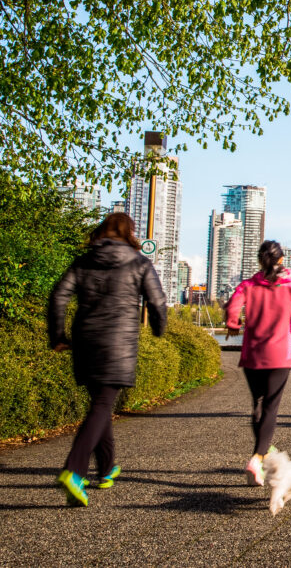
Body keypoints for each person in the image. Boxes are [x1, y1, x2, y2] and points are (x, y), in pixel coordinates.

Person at [48, 213, 167, 507]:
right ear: (129, 232)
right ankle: (74, 471)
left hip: (86, 342)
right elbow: (157, 301)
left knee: (100, 405)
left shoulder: (84, 261)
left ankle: (105, 468)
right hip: (118, 344)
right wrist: (158, 327)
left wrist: (58, 336)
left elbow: (58, 297)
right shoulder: (139, 262)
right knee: (102, 405)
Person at [225, 240, 291, 486]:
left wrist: (233, 325)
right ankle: (257, 457)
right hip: (280, 354)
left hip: (252, 353)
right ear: (282, 260)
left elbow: (233, 306)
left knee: (258, 404)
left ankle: (261, 455)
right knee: (271, 408)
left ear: (259, 260)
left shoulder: (248, 285)